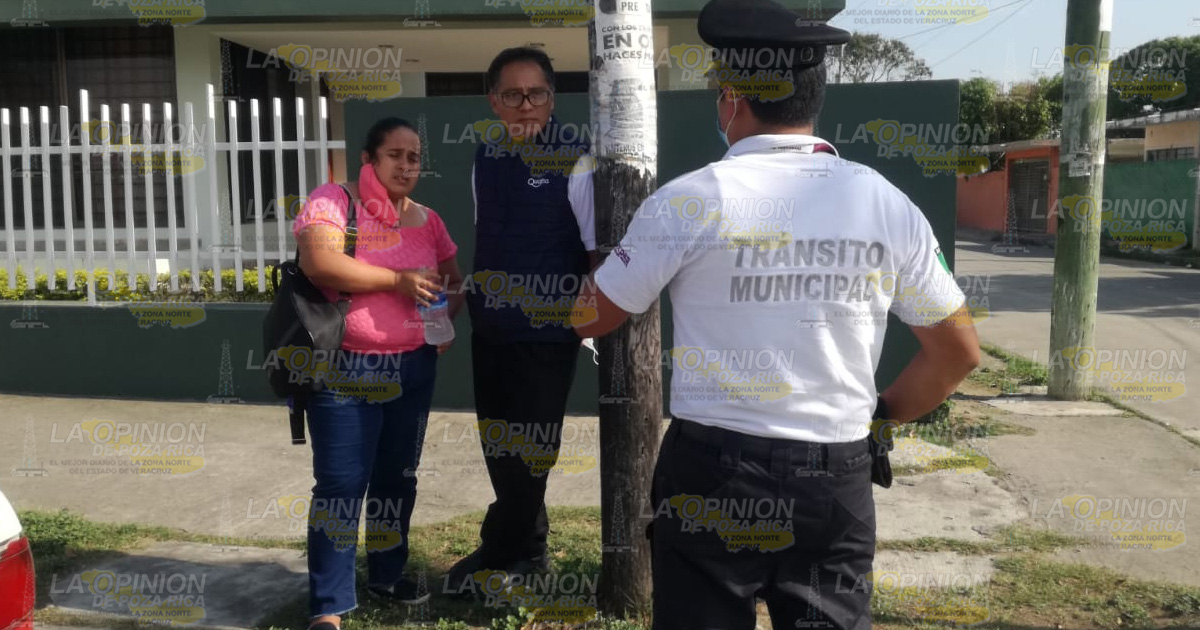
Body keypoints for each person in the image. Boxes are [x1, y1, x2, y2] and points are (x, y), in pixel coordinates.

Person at [572, 0, 982, 628]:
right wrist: (880, 419)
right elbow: (958, 352)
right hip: (835, 476)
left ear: (732, 100)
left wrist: (586, 252)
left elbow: (591, 318)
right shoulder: (884, 201)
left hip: (713, 476)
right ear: (813, 99)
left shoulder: (689, 199)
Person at [292, 117, 464, 630]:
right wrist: (398, 281)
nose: (407, 165)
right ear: (370, 159)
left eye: (414, 157)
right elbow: (320, 262)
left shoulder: (427, 220)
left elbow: (455, 280)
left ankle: (387, 574)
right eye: (396, 155)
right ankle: (329, 605)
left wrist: (441, 318)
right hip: (346, 370)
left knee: (397, 479)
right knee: (341, 485)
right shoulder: (332, 201)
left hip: (413, 368)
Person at [444, 46, 597, 591]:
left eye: (535, 93)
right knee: (500, 445)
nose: (525, 104)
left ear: (552, 99)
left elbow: (595, 251)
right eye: (513, 94)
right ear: (494, 101)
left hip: (547, 331)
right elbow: (487, 240)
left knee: (533, 450)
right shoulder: (486, 157)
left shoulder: (578, 157)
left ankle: (503, 549)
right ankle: (527, 550)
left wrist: (582, 320)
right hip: (491, 328)